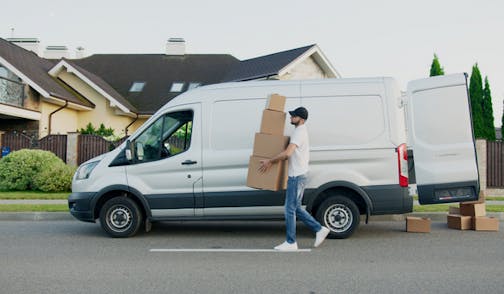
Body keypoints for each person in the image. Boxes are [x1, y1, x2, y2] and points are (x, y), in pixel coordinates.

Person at [259, 106, 330, 251]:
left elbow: (287, 153)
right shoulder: (300, 131)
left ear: (301, 119)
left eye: (294, 116)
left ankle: (291, 242)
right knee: (295, 208)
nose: (291, 117)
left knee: (289, 209)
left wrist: (269, 161)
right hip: (300, 174)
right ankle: (319, 229)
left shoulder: (299, 132)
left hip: (296, 176)